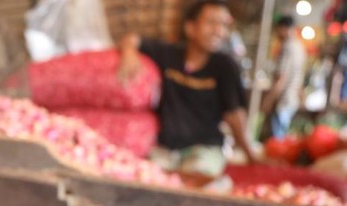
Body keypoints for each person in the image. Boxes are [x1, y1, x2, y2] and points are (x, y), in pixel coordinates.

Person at [118, 0, 256, 177]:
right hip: (167, 148)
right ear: (190, 28)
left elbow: (234, 114)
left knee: (195, 180)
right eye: (211, 23)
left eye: (223, 25)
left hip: (205, 149)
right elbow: (132, 38)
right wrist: (129, 53)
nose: (219, 31)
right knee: (145, 179)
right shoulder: (169, 55)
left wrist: (250, 155)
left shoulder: (225, 66)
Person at [262, 16, 307, 138]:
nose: (277, 33)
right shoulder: (299, 47)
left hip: (284, 99)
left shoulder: (287, 47)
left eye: (278, 29)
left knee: (278, 140)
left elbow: (281, 78)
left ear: (284, 29)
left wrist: (269, 99)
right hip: (292, 99)